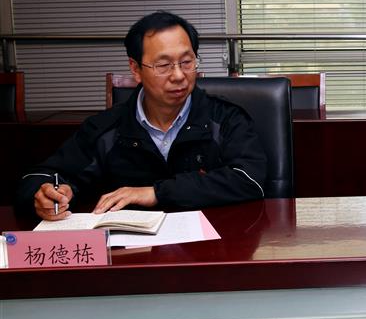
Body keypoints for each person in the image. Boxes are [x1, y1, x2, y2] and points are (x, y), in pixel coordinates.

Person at [16, 11, 267, 219]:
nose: (178, 75)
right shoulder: (106, 128)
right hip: (133, 254)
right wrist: (46, 195)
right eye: (163, 65)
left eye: (187, 62)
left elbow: (249, 179)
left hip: (213, 248)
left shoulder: (224, 118)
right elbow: (38, 177)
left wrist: (156, 192)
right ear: (135, 69)